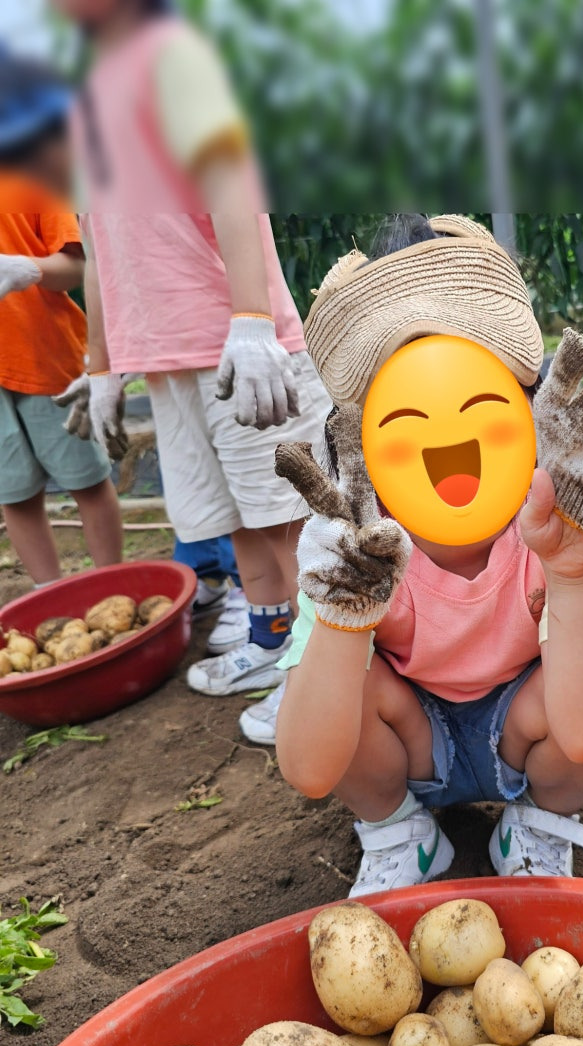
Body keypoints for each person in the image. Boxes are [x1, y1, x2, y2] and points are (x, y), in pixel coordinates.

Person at [274, 215, 583, 896]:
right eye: (410, 409)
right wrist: (340, 617)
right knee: (334, 683)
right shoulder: (349, 544)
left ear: (523, 401)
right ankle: (398, 831)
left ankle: (538, 820)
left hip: (525, 730)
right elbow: (308, 766)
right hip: (407, 737)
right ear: (361, 435)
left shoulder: (566, 516)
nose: (446, 434)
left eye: (472, 398)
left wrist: (573, 574)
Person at [52, 0, 332, 746]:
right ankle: (274, 646)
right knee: (233, 521)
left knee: (288, 519)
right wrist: (103, 364)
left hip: (235, 347)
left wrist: (250, 321)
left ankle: (324, 667)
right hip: (163, 356)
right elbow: (98, 247)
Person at [0, 49, 122, 588]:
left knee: (86, 479)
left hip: (42, 356)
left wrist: (25, 269)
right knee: (13, 493)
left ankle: (112, 587)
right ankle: (50, 597)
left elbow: (75, 265)